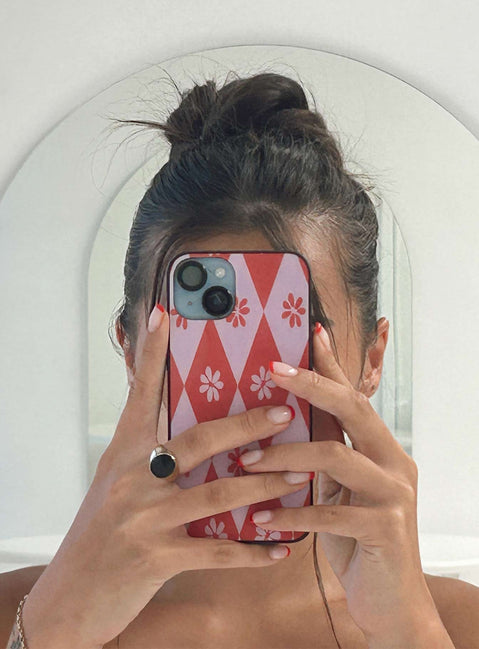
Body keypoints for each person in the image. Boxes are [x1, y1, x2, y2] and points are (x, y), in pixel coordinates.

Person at [2, 71, 478, 649]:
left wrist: (410, 633)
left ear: (372, 360)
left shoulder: (457, 624)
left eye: (291, 333)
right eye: (197, 337)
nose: (247, 385)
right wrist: (53, 630)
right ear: (132, 354)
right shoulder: (25, 614)